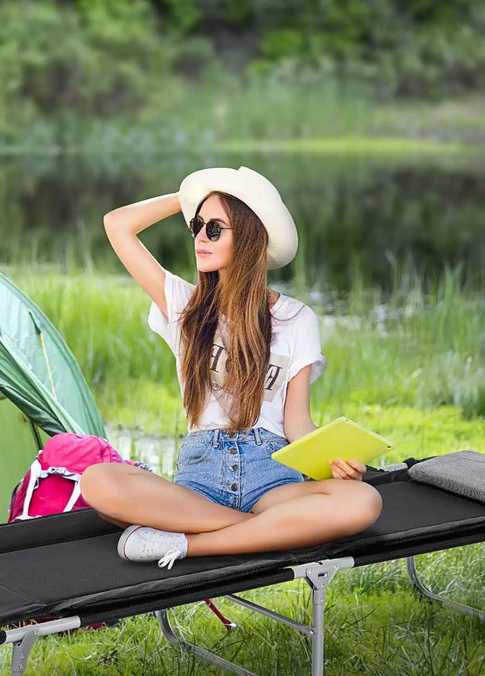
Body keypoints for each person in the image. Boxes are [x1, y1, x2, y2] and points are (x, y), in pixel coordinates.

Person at [79, 165, 382, 568]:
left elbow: (297, 425)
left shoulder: (296, 318)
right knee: (98, 481)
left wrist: (336, 465)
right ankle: (262, 529)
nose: (200, 238)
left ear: (250, 237)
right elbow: (117, 225)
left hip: (271, 476)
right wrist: (190, 195)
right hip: (199, 479)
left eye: (215, 229)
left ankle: (188, 543)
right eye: (197, 227)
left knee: (363, 500)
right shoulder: (184, 307)